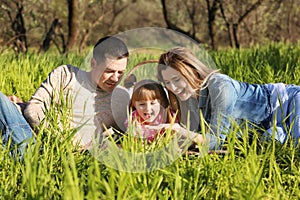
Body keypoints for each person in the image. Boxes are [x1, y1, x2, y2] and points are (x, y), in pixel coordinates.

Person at [0, 36, 130, 156]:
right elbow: (33, 110)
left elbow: (131, 131)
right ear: (93, 64)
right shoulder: (66, 74)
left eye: (120, 72)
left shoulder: (120, 99)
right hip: (25, 126)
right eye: (109, 71)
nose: (115, 78)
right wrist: (65, 140)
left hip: (34, 146)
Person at [157, 47, 300, 150]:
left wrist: (180, 131)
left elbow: (214, 141)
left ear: (193, 71)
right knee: (273, 146)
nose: (173, 88)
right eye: (167, 83)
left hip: (287, 102)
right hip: (269, 126)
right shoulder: (189, 98)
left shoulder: (220, 86)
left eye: (177, 80)